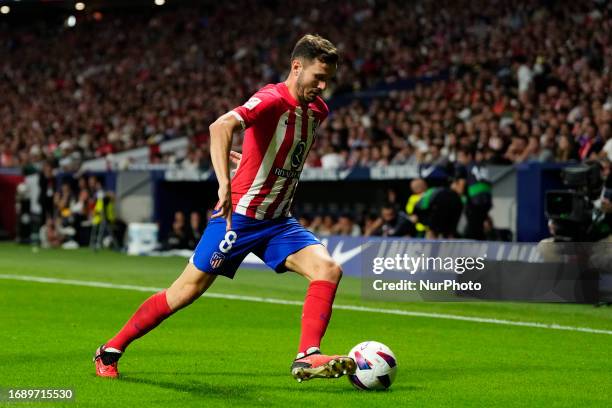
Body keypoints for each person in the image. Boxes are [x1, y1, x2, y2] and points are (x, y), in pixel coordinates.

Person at [94, 34, 356, 382]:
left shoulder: (317, 110)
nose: (323, 86)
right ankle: (110, 349)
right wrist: (224, 183)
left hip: (278, 222)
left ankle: (308, 355)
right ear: (297, 67)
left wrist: (249, 161)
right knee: (185, 292)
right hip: (240, 217)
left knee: (328, 270)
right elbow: (220, 126)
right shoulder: (271, 99)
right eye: (317, 77)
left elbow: (279, 153)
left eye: (328, 80)